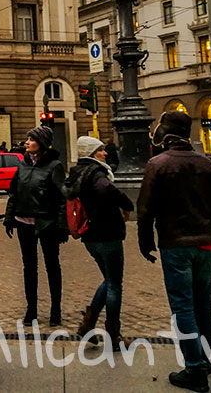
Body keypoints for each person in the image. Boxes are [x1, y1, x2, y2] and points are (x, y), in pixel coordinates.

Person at [138, 111, 211, 392]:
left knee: (183, 306)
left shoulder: (158, 164)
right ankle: (204, 358)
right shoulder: (207, 164)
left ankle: (194, 370)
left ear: (165, 134)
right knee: (204, 303)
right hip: (207, 243)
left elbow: (145, 209)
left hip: (175, 244)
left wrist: (145, 241)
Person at [65, 136, 134, 350]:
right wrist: (126, 203)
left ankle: (88, 325)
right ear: (93, 153)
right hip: (107, 233)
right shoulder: (96, 173)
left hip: (90, 236)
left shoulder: (77, 172)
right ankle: (113, 335)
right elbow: (106, 189)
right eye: (101, 150)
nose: (105, 153)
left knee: (109, 280)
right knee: (115, 283)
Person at [4, 125, 69, 327]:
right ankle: (31, 309)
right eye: (27, 139)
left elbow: (61, 198)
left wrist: (61, 226)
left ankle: (55, 309)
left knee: (52, 266)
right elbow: (14, 192)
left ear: (41, 144)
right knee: (29, 267)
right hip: (24, 222)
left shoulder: (54, 166)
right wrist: (9, 217)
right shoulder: (22, 165)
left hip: (46, 222)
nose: (27, 142)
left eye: (31, 139)